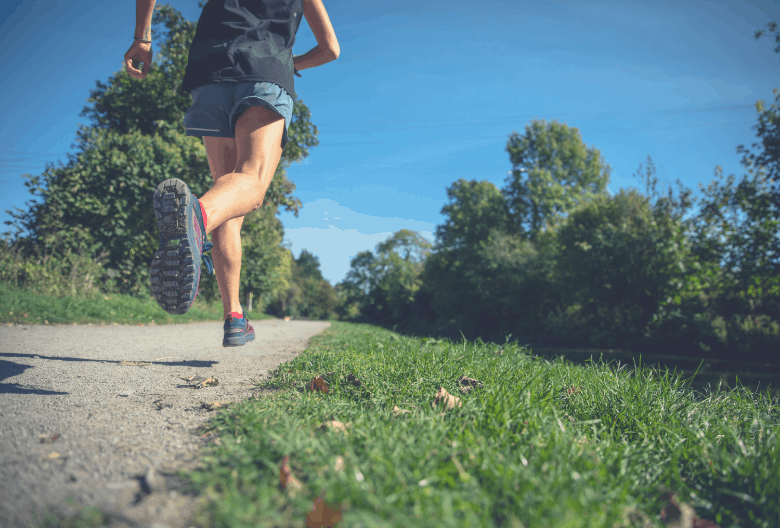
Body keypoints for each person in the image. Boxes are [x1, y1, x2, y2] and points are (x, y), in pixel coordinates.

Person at [123, 0, 339, 346]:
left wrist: (143, 39)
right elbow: (330, 48)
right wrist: (287, 63)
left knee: (227, 196)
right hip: (265, 72)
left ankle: (234, 315)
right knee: (250, 183)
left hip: (211, 73)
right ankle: (195, 219)